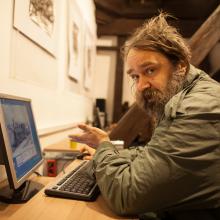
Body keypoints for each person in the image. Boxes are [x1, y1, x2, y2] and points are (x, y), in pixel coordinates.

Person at [69, 13, 220, 219]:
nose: (140, 86)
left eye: (150, 70)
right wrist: (109, 153)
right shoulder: (184, 96)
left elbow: (127, 195)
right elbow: (155, 152)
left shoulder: (197, 108)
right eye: (135, 76)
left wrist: (104, 146)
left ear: (181, 65)